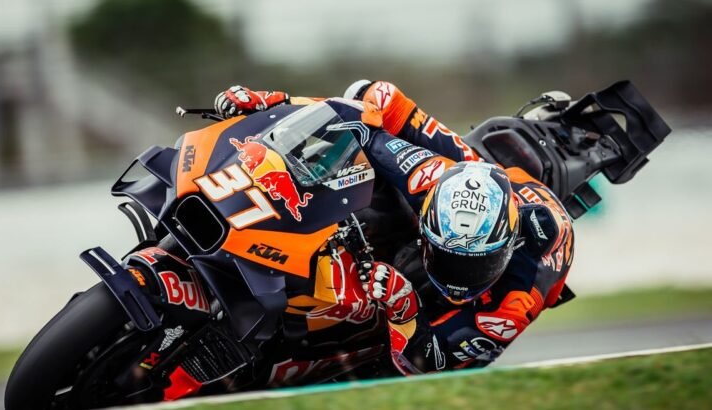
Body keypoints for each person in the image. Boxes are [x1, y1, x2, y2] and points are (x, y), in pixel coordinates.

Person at [212, 82, 575, 374]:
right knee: (376, 95)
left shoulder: (514, 303)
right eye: (448, 257)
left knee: (410, 371)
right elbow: (352, 121)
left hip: (511, 252)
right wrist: (277, 104)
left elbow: (429, 363)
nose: (457, 278)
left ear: (507, 248)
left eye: (475, 265)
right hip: (478, 175)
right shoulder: (427, 177)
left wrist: (404, 306)